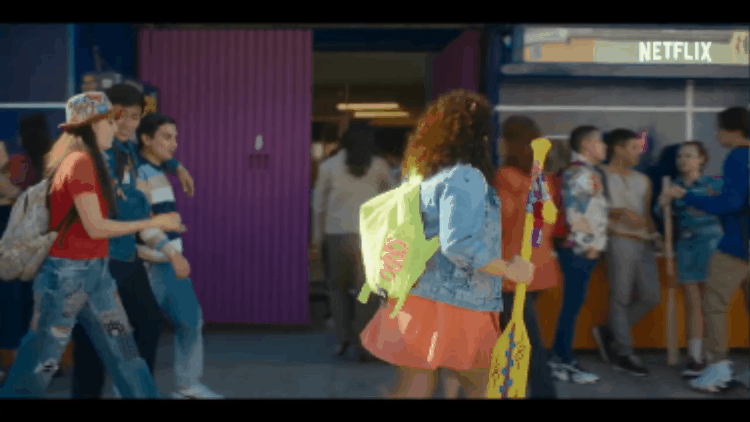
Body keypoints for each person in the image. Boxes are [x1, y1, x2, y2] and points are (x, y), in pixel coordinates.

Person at [0, 92, 183, 398]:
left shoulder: (85, 162)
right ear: (92, 125)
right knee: (40, 363)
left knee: (124, 352)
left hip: (95, 273)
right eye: (110, 121)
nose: (116, 127)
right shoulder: (80, 163)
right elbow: (96, 226)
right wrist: (154, 222)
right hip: (68, 277)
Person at [359, 89, 535, 399]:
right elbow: (459, 244)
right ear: (479, 136)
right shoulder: (465, 177)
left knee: (414, 388)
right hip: (458, 304)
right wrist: (510, 269)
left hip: (415, 297)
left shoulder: (422, 176)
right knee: (485, 387)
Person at [70, 83, 197, 398]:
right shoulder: (94, 154)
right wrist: (151, 216)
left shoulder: (126, 149)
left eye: (135, 116)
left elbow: (146, 160)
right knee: (94, 343)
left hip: (125, 258)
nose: (127, 123)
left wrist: (176, 166)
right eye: (119, 115)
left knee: (148, 324)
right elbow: (114, 211)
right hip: (98, 262)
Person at [132, 113, 223, 398]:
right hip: (150, 265)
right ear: (146, 139)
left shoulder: (158, 169)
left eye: (175, 137)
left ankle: (188, 386)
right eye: (166, 137)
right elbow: (143, 224)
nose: (174, 143)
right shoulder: (139, 173)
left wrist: (177, 166)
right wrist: (173, 254)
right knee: (141, 334)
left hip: (169, 265)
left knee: (191, 321)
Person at [662, 106, 749, 393]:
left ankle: (719, 369)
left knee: (713, 305)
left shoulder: (737, 156)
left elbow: (731, 203)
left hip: (737, 247)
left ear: (732, 130)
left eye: (719, 128)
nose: (717, 134)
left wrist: (688, 196)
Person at [311, 120, 394, 362]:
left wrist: (317, 239)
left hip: (336, 235)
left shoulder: (329, 166)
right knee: (366, 292)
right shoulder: (379, 166)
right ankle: (364, 343)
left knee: (337, 289)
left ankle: (343, 339)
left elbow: (318, 205)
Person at [493, 115, 561, 398]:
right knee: (517, 339)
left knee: (525, 343)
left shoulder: (504, 177)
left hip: (510, 271)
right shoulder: (543, 179)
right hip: (539, 267)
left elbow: (501, 222)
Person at [592, 129, 661, 377]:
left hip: (644, 242)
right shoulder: (599, 175)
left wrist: (656, 235)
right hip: (617, 239)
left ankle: (609, 331)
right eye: (633, 148)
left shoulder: (643, 180)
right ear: (618, 149)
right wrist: (619, 212)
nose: (639, 153)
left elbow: (646, 213)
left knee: (651, 296)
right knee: (620, 297)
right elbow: (591, 209)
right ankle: (624, 353)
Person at [655, 141, 724, 378]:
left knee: (712, 304)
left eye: (689, 156)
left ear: (701, 159)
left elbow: (728, 208)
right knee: (693, 302)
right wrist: (662, 203)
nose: (683, 160)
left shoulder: (714, 184)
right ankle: (695, 357)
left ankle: (713, 356)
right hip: (687, 246)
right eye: (680, 157)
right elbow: (660, 216)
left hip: (714, 245)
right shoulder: (671, 186)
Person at [548, 125, 608, 384]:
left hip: (578, 248)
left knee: (572, 305)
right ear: (586, 144)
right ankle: (562, 360)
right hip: (578, 249)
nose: (604, 147)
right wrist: (589, 245)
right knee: (571, 306)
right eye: (600, 141)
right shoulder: (581, 173)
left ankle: (561, 358)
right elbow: (577, 213)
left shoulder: (584, 172)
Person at [0, 116, 54, 383]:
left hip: (14, 233)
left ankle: (13, 364)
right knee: (36, 300)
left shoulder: (18, 162)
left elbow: (7, 188)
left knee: (12, 299)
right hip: (43, 238)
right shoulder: (55, 159)